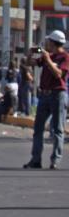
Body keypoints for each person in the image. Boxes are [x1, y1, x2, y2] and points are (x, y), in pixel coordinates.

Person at [24, 30, 69, 170]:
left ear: (54, 43)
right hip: (44, 95)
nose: (47, 43)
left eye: (48, 41)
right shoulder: (46, 54)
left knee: (57, 130)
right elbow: (29, 62)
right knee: (38, 129)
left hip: (57, 94)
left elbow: (59, 74)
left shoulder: (64, 57)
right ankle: (35, 159)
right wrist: (33, 51)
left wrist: (47, 58)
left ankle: (55, 160)